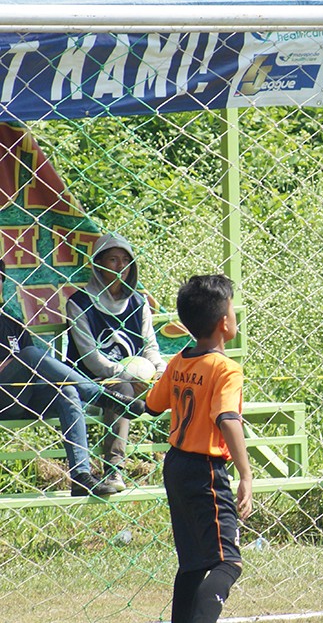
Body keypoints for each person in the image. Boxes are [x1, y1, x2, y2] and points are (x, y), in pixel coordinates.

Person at [145, 274, 252, 623]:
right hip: (205, 469)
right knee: (227, 562)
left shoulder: (179, 361)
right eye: (232, 309)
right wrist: (246, 475)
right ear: (224, 322)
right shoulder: (225, 368)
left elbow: (153, 404)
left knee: (192, 562)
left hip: (175, 466)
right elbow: (227, 418)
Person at [0, 260, 146, 497]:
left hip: (24, 398)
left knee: (67, 389)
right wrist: (15, 363)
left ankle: (80, 476)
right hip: (2, 397)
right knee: (28, 354)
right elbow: (27, 359)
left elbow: (34, 368)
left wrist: (24, 364)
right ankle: (101, 395)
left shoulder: (11, 320)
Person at [66, 233, 166, 491]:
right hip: (94, 382)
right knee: (120, 390)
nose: (120, 266)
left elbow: (150, 346)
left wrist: (159, 371)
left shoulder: (138, 302)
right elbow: (91, 358)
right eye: (112, 259)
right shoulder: (80, 303)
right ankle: (113, 470)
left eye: (125, 260)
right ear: (97, 263)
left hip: (139, 381)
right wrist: (127, 376)